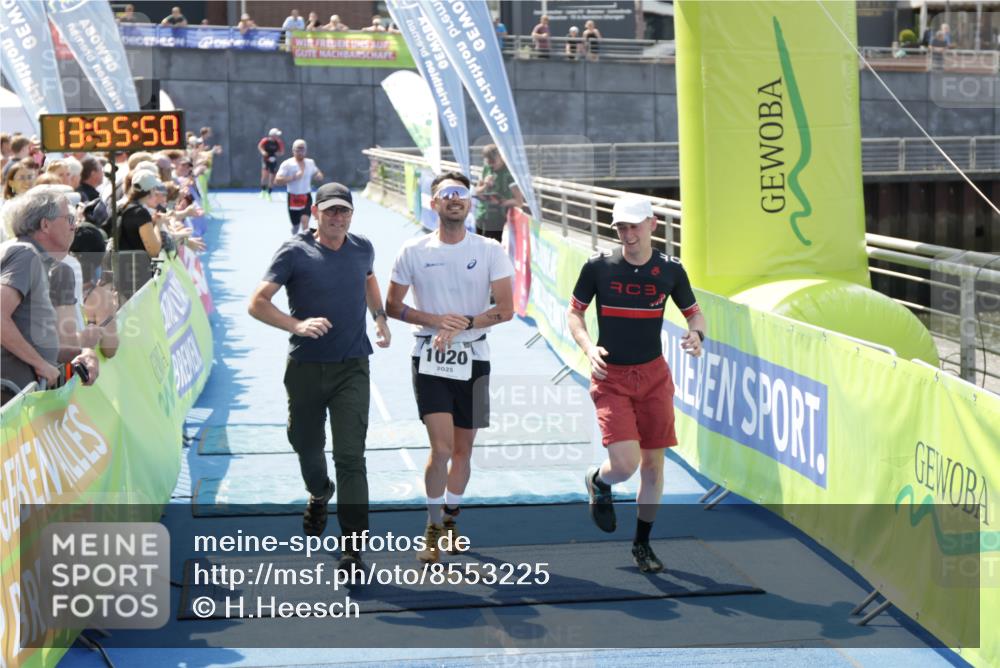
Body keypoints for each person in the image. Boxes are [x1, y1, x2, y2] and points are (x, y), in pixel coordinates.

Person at [248, 183, 390, 572]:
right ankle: (319, 493)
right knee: (306, 445)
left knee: (350, 457)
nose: (337, 217)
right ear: (315, 211)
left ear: (351, 214)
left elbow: (369, 278)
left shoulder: (363, 247)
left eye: (344, 211)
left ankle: (353, 546)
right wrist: (297, 324)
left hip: (353, 367)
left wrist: (379, 319)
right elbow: (257, 303)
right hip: (305, 369)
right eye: (330, 211)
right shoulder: (294, 251)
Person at [568, 196, 706, 573]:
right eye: (621, 228)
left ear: (652, 224)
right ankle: (599, 480)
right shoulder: (598, 267)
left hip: (653, 376)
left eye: (634, 226)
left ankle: (642, 545)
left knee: (653, 466)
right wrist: (587, 346)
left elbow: (695, 315)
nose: (628, 234)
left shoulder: (670, 271)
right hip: (610, 377)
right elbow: (575, 313)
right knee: (626, 464)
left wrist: (697, 336)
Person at [385, 172, 515, 564]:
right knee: (440, 447)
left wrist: (465, 324)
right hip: (430, 356)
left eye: (461, 194)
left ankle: (453, 516)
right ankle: (432, 524)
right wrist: (437, 320)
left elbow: (506, 310)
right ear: (434, 203)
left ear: (469, 202)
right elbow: (393, 307)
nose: (455, 200)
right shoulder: (413, 250)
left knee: (463, 449)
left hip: (474, 357)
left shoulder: (490, 249)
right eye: (447, 194)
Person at [1, 186, 100, 405]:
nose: (75, 226)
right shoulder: (25, 254)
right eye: (70, 219)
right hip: (11, 397)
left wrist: (84, 351)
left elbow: (38, 343)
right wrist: (40, 364)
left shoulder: (33, 256)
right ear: (45, 224)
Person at [473, 145, 523, 243]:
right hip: (481, 215)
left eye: (493, 161)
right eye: (488, 162)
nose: (491, 165)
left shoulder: (509, 173)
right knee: (478, 247)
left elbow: (519, 202)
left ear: (501, 156)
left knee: (491, 250)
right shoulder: (486, 169)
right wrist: (485, 185)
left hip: (496, 219)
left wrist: (502, 202)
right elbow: (477, 191)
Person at [275, 139, 324, 234]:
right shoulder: (287, 164)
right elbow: (277, 180)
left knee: (305, 223)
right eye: (298, 149)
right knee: (295, 226)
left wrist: (318, 175)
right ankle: (295, 240)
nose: (300, 152)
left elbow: (318, 173)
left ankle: (305, 245)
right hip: (293, 197)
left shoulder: (310, 162)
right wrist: (293, 177)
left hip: (306, 196)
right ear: (293, 150)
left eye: (302, 149)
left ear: (306, 150)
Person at [258, 128, 285, 200]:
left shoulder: (278, 142)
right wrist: (263, 152)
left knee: (272, 177)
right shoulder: (265, 141)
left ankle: (269, 193)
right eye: (276, 135)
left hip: (273, 161)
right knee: (264, 176)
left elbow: (281, 152)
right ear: (272, 135)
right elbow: (260, 147)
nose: (277, 136)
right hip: (265, 160)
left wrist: (277, 154)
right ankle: (263, 191)